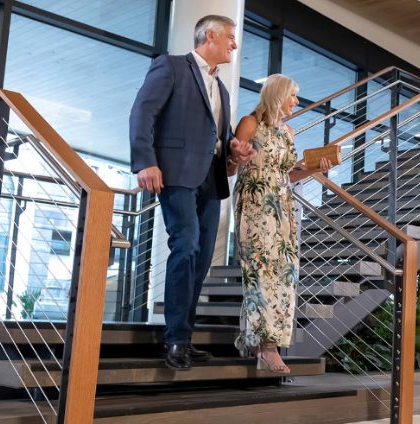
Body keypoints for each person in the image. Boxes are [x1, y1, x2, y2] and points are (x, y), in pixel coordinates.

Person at [129, 15, 255, 370]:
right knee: (185, 246)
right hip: (176, 174)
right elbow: (143, 112)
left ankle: (183, 335)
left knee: (200, 259)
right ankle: (175, 340)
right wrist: (145, 162)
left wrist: (235, 148)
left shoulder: (222, 87)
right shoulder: (170, 67)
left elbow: (217, 133)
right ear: (210, 35)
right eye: (230, 37)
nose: (234, 44)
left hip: (210, 179)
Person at [232, 74, 331, 374]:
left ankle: (259, 340)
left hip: (283, 207)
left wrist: (314, 169)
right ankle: (267, 347)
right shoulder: (250, 123)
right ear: (277, 94)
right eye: (292, 95)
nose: (296, 102)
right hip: (255, 204)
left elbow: (287, 174)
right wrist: (238, 156)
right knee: (259, 273)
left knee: (284, 275)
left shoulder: (288, 132)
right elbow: (232, 163)